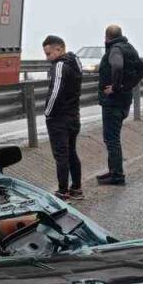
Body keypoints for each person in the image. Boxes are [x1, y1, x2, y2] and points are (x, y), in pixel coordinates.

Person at [96, 24, 143, 186]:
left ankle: (117, 175)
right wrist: (127, 86)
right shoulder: (130, 48)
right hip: (124, 100)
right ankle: (113, 170)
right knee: (113, 138)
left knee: (111, 139)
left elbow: (117, 66)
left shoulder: (115, 50)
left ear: (106, 37)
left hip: (113, 102)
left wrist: (116, 87)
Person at [42, 34, 82, 199]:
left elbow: (55, 92)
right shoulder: (75, 63)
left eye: (48, 53)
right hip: (74, 116)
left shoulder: (59, 66)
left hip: (59, 119)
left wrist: (47, 113)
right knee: (71, 152)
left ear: (59, 49)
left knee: (61, 156)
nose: (47, 58)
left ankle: (62, 191)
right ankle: (76, 189)